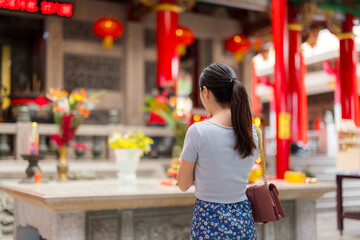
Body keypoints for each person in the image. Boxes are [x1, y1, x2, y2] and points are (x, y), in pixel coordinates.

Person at [177, 63, 260, 240]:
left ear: (205, 91)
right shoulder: (253, 132)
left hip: (209, 220)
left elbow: (183, 184)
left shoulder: (198, 131)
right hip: (243, 220)